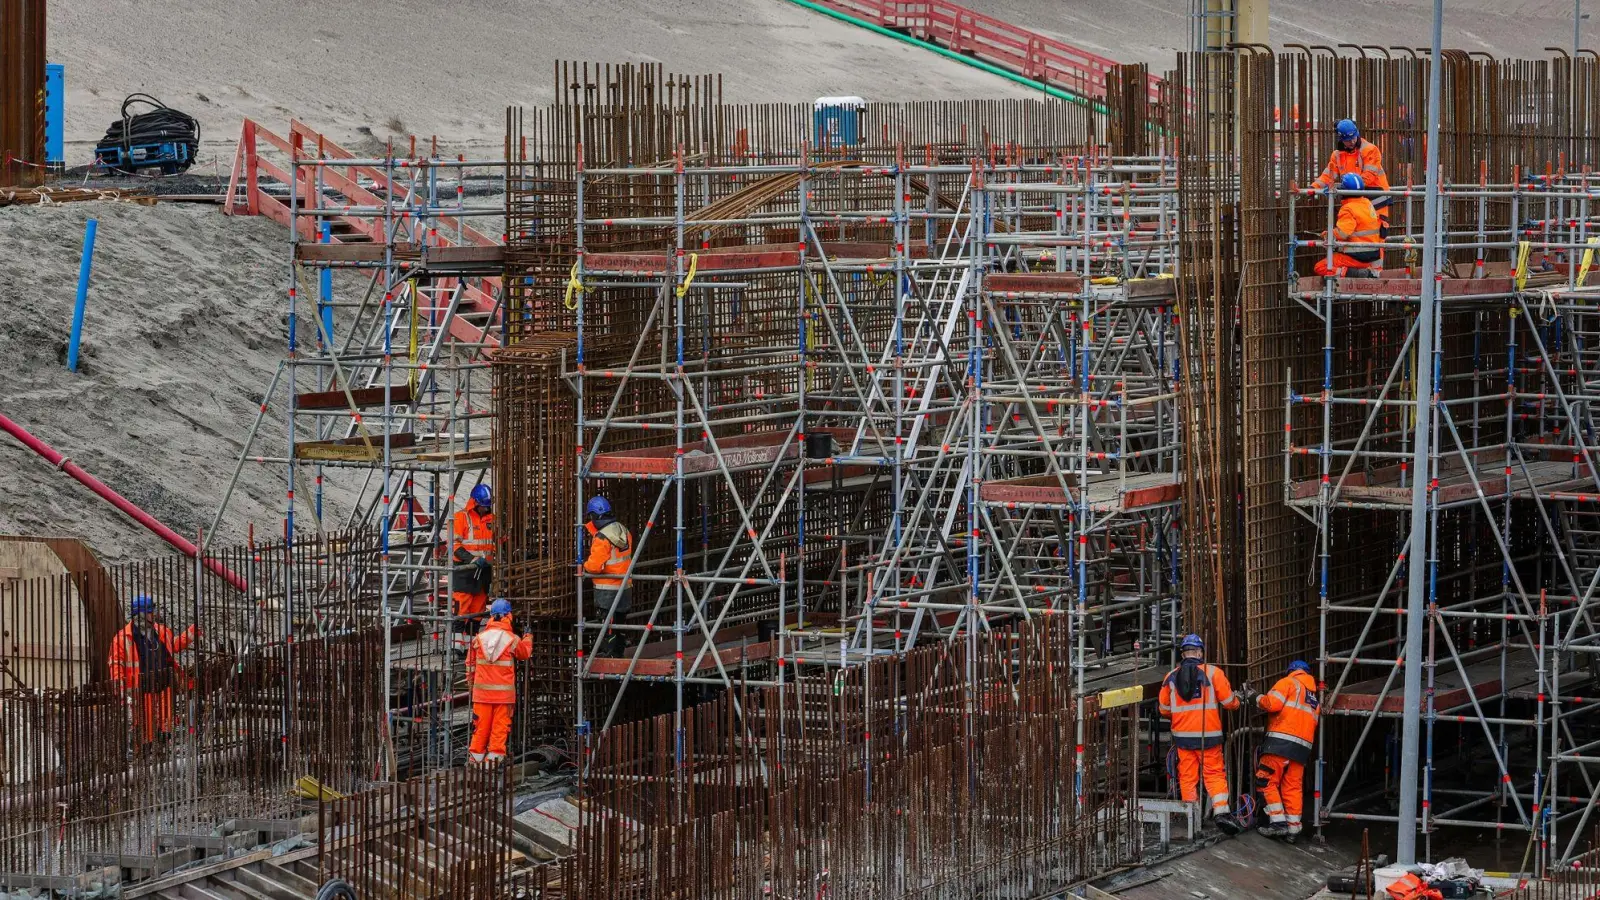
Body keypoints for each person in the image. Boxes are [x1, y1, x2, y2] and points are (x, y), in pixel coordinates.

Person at [1158, 634, 1243, 833]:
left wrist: (1180, 717)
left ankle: (1192, 818)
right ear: (1199, 652)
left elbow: (1163, 708)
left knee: (1187, 777)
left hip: (1182, 737)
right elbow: (1229, 701)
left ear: (1183, 653)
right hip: (1208, 736)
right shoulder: (1213, 673)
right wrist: (1238, 702)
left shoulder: (1170, 677)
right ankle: (1221, 813)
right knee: (1213, 774)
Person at [1242, 660, 1320, 840]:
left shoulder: (1288, 683)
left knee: (1266, 780)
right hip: (1301, 749)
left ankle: (1277, 823)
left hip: (1280, 744)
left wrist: (1253, 696)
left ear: (1290, 671)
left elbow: (1271, 704)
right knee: (1292, 787)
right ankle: (1293, 829)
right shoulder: (1314, 699)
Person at [107, 595, 197, 745]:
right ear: (140, 615)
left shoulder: (162, 632)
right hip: (142, 691)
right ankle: (147, 755)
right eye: (150, 611)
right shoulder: (123, 639)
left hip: (163, 688)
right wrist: (122, 692)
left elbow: (173, 645)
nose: (153, 614)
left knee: (166, 727)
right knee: (145, 731)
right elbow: (116, 667)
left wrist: (191, 633)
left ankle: (165, 749)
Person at [464, 599, 532, 766]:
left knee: (480, 728)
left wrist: (472, 686)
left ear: (491, 617)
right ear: (508, 616)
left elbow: (470, 666)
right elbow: (524, 653)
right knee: (499, 730)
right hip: (503, 696)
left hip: (482, 696)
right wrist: (528, 637)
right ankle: (492, 764)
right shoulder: (512, 639)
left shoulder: (479, 639)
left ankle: (475, 759)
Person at [1312, 119, 1392, 233]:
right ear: (1341, 139)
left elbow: (1369, 177)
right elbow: (1327, 175)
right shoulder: (1337, 155)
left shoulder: (1369, 150)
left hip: (1375, 199)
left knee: (1374, 235)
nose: (1353, 142)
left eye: (1354, 137)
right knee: (1355, 234)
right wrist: (1313, 188)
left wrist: (1346, 187)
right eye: (1348, 140)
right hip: (1356, 201)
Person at [583, 495, 634, 657]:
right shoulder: (624, 531)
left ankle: (610, 656)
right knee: (620, 624)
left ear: (595, 516)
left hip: (607, 590)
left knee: (607, 626)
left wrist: (584, 566)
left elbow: (595, 566)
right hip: (625, 587)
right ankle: (618, 654)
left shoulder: (602, 538)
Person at [1313, 173, 1384, 278]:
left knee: (1320, 267)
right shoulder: (1367, 203)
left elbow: (1343, 233)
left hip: (1356, 257)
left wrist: (1328, 235)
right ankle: (1360, 272)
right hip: (1372, 256)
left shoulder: (1348, 208)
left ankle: (1353, 273)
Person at [450, 484, 495, 643]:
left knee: (477, 610)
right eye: (483, 506)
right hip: (465, 571)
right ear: (474, 503)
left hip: (484, 573)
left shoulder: (492, 520)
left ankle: (470, 646)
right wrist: (473, 560)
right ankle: (456, 646)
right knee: (461, 609)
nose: (485, 509)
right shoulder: (461, 518)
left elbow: (499, 542)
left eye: (487, 507)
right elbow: (454, 546)